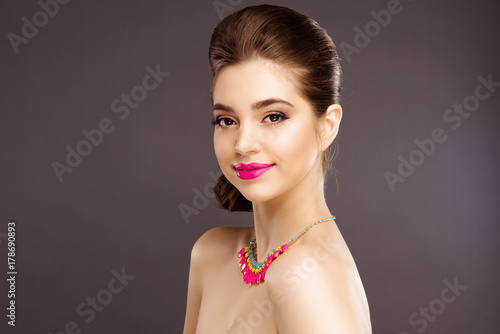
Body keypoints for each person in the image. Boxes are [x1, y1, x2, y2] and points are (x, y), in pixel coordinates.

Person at [183, 4, 371, 333]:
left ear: (327, 126)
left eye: (273, 116)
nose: (243, 144)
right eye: (227, 120)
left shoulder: (306, 276)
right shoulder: (210, 254)